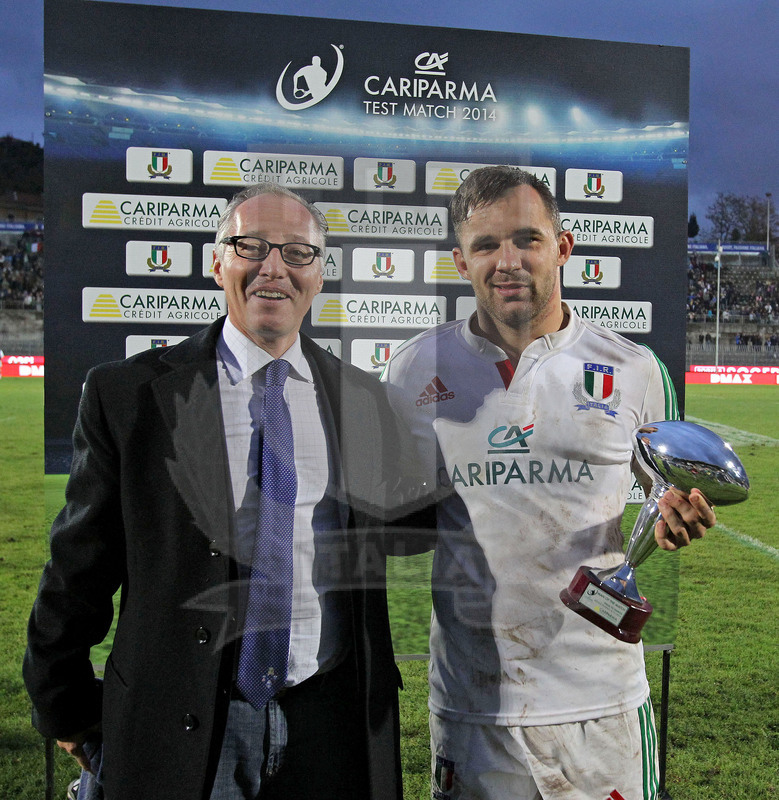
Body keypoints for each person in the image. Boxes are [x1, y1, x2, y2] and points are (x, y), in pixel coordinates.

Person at [24, 183, 405, 800]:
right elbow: (77, 571)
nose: (272, 268)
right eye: (249, 246)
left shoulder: (363, 401)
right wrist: (65, 706)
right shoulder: (130, 396)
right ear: (217, 262)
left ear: (320, 273)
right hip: (184, 726)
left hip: (330, 726)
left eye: (297, 253)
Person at [383, 166, 716, 800]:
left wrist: (675, 517)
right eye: (485, 245)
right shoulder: (414, 368)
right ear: (460, 261)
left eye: (526, 239)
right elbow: (397, 515)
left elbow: (660, 498)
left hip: (602, 704)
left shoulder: (635, 369)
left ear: (562, 248)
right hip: (473, 705)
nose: (506, 261)